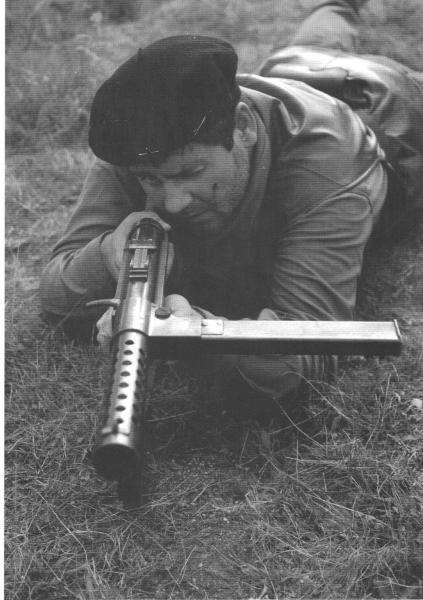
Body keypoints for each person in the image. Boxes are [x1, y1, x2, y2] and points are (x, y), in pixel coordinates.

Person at [40, 0, 423, 407]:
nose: (172, 203)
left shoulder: (327, 169)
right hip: (292, 71)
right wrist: (108, 256)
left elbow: (302, 355)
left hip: (395, 114)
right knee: (311, 46)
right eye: (151, 180)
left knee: (360, 72)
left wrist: (198, 335)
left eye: (190, 173)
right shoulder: (141, 143)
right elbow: (55, 294)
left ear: (242, 127)